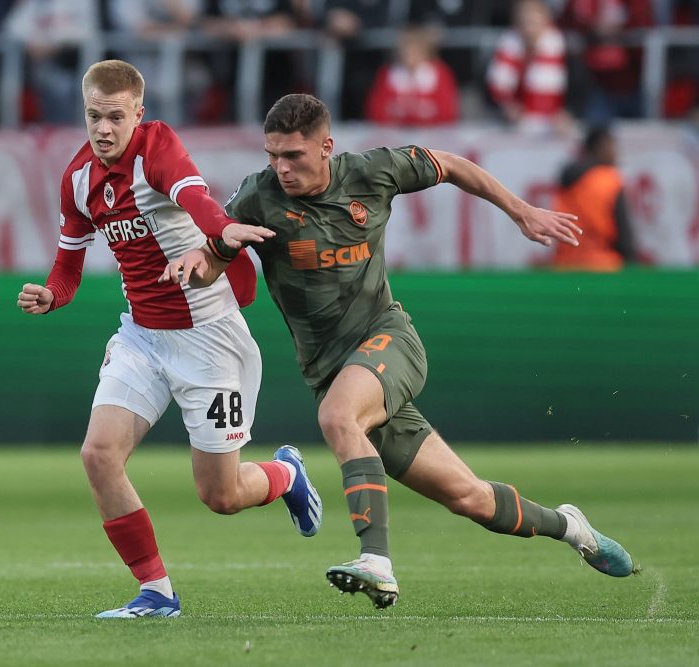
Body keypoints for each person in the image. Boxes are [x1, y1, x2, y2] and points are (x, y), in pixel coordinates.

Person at [160, 93, 638, 609]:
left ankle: (376, 563)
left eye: (293, 155)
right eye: (273, 154)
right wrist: (209, 256)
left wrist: (519, 211)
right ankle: (572, 528)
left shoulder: (373, 172)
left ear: (326, 147)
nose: (282, 167)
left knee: (337, 417)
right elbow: (213, 257)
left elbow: (450, 165)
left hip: (387, 340)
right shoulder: (258, 195)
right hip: (330, 369)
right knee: (469, 498)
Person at [16, 61, 322, 619]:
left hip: (208, 337)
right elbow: (68, 267)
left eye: (114, 116)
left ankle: (285, 475)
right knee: (98, 455)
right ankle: (156, 592)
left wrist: (221, 229)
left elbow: (195, 196)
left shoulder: (157, 147)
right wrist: (52, 296)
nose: (103, 129)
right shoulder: (78, 179)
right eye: (93, 116)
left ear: (139, 112)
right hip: (142, 338)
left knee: (221, 496)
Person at [552, 124, 636, 270]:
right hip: (603, 266)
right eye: (612, 146)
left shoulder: (565, 181)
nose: (616, 153)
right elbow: (624, 234)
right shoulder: (610, 180)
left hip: (565, 266)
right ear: (600, 147)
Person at [486, 0, 570, 134]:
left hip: (552, 123)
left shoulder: (557, 45)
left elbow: (567, 87)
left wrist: (565, 112)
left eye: (533, 23)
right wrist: (508, 106)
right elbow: (497, 86)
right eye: (524, 23)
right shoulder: (508, 46)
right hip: (516, 124)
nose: (529, 28)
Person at [364, 24, 459, 126]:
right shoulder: (388, 73)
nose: (409, 56)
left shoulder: (439, 73)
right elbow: (376, 110)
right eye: (406, 51)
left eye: (415, 51)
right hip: (395, 134)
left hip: (432, 134)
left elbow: (448, 112)